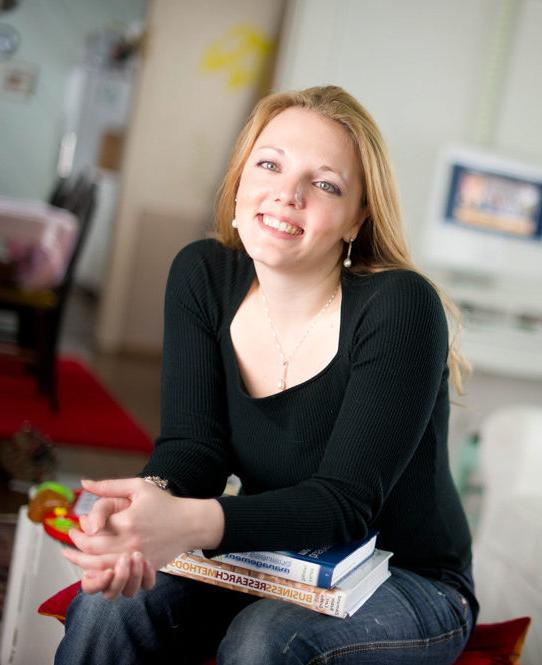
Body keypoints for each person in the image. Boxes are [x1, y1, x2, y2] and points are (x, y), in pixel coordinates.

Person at [55, 85, 478, 665]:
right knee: (112, 605)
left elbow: (344, 504)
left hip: (408, 579)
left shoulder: (401, 307)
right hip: (274, 560)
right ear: (239, 182)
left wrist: (186, 523)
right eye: (270, 164)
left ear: (357, 218)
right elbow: (193, 449)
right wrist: (147, 509)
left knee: (267, 639)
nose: (287, 193)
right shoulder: (202, 274)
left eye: (324, 183)